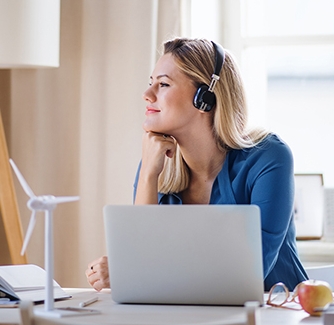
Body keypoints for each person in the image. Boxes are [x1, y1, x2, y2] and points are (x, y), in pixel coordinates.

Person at [86, 37, 308, 292]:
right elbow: (139, 271)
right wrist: (147, 175)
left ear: (205, 98)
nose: (147, 95)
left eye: (163, 84)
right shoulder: (156, 164)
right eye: (151, 84)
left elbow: (248, 274)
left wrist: (133, 271)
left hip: (273, 315)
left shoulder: (268, 158)